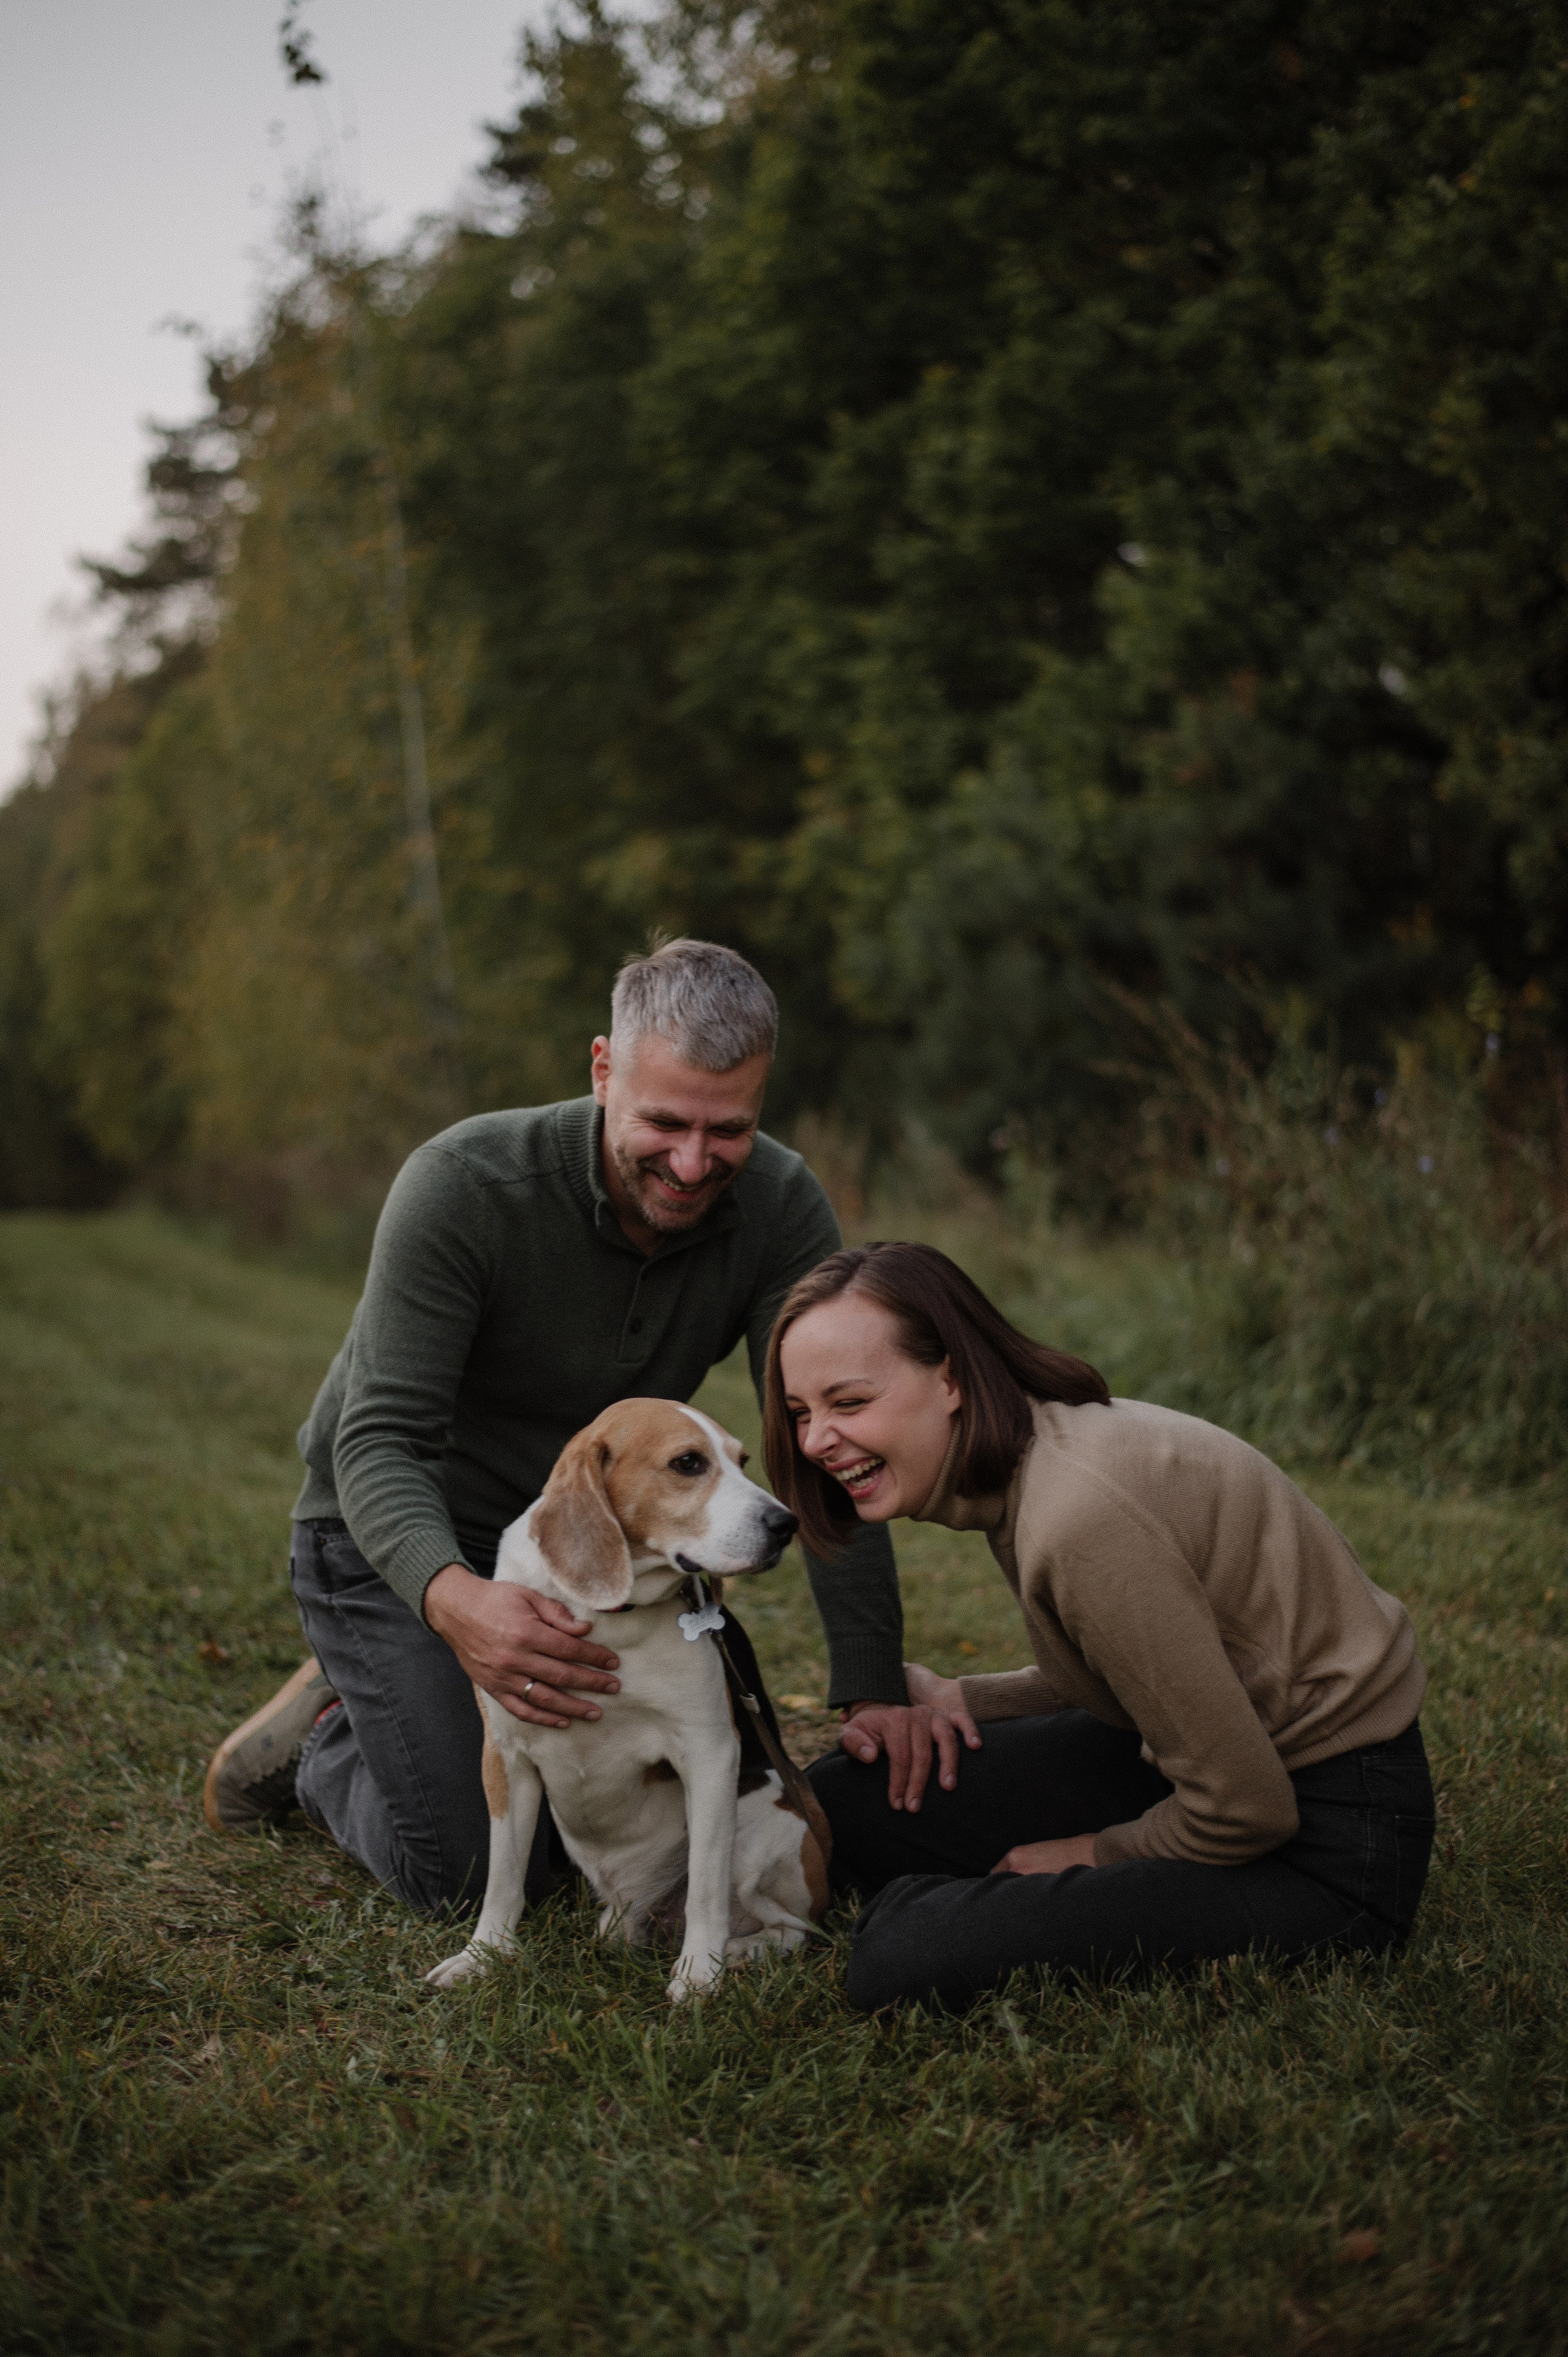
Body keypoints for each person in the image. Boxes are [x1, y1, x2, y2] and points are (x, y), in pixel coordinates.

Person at [203, 939, 916, 1913]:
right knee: (472, 1870)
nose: (694, 1161)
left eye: (729, 1130)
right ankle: (336, 1732)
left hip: (607, 1544)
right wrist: (453, 1602)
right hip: (401, 1533)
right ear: (601, 1070)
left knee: (628, 1809)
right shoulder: (462, 1186)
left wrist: (873, 1685)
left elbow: (820, 1440)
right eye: (663, 1122)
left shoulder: (781, 1207)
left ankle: (412, 1704)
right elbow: (374, 1445)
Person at [768, 1242, 1435, 2012]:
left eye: (847, 1403)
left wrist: (1090, 1853)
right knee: (842, 1804)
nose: (815, 1439)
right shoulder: (1037, 1451)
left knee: (904, 1954)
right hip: (1213, 1748)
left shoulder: (1080, 1517)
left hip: (1332, 1836)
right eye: (800, 1412)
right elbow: (1156, 1663)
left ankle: (945, 1909)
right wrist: (963, 1698)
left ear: (950, 1377)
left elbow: (1246, 1808)